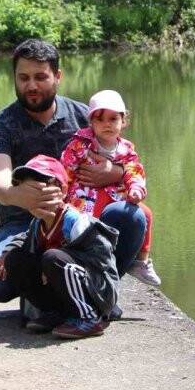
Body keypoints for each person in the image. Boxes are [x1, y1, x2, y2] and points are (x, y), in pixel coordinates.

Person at [0, 39, 146, 329]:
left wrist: (115, 172)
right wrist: (23, 197)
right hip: (22, 222)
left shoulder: (86, 115)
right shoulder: (1, 127)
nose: (31, 85)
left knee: (132, 215)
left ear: (58, 76)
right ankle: (51, 298)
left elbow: (129, 158)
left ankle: (99, 294)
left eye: (40, 77)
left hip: (83, 215)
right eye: (23, 78)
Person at [0, 155, 119, 339]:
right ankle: (55, 313)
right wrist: (7, 252)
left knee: (53, 258)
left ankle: (89, 318)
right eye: (28, 190)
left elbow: (103, 257)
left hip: (95, 290)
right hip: (63, 288)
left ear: (62, 190)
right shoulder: (37, 224)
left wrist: (66, 256)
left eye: (41, 187)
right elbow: (25, 238)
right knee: (17, 259)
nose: (35, 196)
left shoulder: (74, 222)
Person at [61, 89, 160, 286]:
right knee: (90, 228)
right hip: (85, 197)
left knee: (145, 214)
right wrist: (61, 191)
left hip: (115, 197)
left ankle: (140, 261)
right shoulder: (81, 145)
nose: (107, 124)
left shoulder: (125, 149)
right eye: (100, 119)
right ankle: (90, 264)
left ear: (123, 121)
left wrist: (135, 187)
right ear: (91, 123)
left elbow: (134, 169)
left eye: (113, 119)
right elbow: (66, 168)